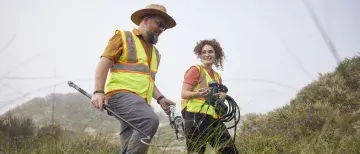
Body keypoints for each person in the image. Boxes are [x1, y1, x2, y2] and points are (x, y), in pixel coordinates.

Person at [90, 4, 177, 154]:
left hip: (140, 103)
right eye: (159, 24)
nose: (161, 29)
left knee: (129, 141)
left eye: (164, 27)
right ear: (146, 19)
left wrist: (161, 98)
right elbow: (103, 65)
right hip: (120, 95)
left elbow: (149, 80)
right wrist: (98, 91)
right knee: (149, 121)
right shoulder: (123, 37)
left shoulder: (156, 54)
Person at [181, 39, 239, 154]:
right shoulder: (195, 70)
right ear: (200, 54)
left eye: (210, 52)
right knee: (198, 151)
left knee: (230, 151)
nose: (207, 55)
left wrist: (222, 97)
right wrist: (199, 93)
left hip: (214, 119)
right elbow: (184, 93)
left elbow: (216, 101)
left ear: (215, 54)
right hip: (195, 117)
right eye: (204, 52)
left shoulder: (217, 76)